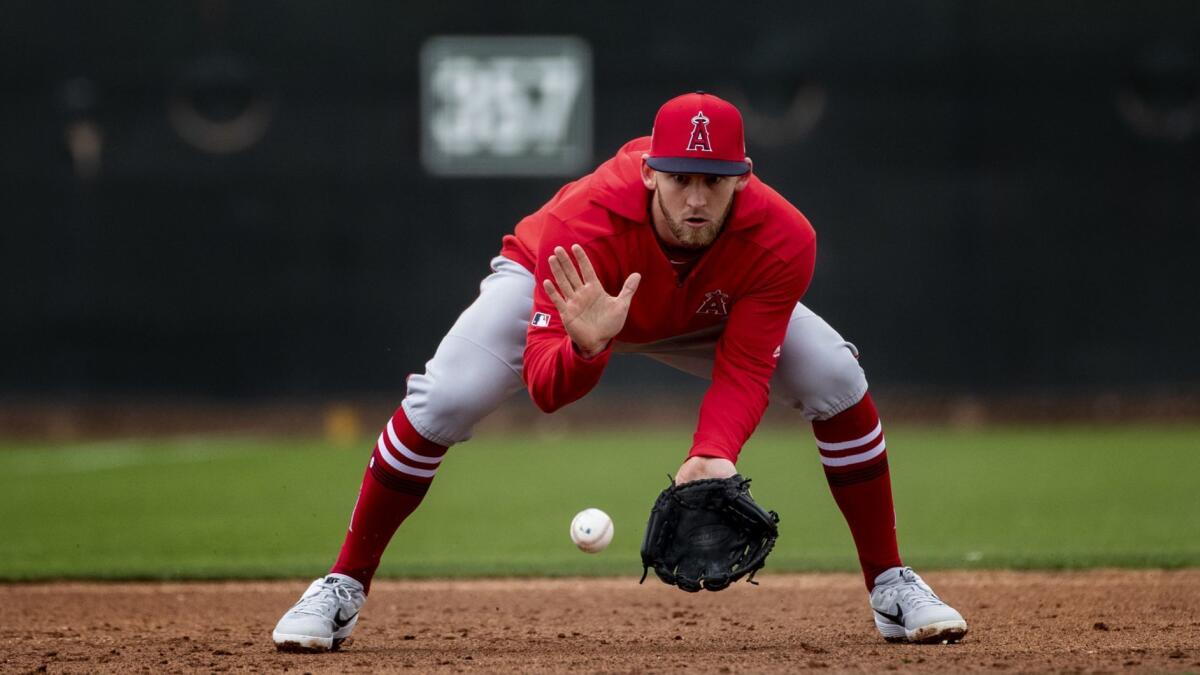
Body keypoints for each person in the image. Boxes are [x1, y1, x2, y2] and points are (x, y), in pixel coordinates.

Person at [271, 91, 967, 651]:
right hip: (574, 296)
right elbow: (547, 391)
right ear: (649, 173)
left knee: (838, 381)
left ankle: (891, 585)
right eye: (681, 178)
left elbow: (749, 361)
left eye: (715, 181)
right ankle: (341, 585)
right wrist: (586, 346)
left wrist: (712, 453)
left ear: (743, 180)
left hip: (703, 310)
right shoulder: (585, 221)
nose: (697, 198)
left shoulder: (784, 237)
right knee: (444, 398)